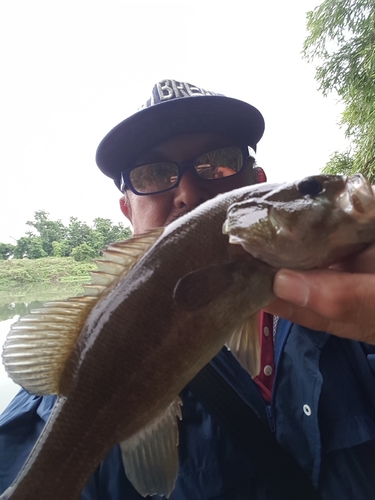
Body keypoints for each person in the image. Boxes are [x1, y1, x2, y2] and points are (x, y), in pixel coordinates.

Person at [1, 79, 375, 500]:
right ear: (127, 209)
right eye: (154, 174)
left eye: (217, 163)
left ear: (258, 182)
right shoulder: (61, 397)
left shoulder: (359, 336)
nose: (188, 192)